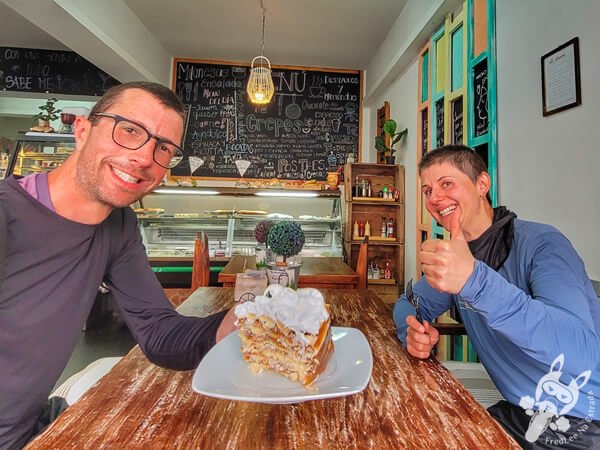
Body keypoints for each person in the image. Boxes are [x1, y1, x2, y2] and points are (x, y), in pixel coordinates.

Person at [0, 81, 237, 449]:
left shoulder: (119, 225)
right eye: (129, 131)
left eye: (163, 148)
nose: (144, 158)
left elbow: (159, 334)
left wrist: (235, 324)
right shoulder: (6, 213)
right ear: (82, 131)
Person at [393, 145, 599, 449]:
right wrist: (410, 332)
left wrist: (474, 280)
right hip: (519, 413)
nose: (434, 198)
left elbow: (581, 353)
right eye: (427, 190)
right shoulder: (457, 258)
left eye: (446, 184)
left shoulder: (543, 244)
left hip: (584, 420)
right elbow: (407, 304)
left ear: (482, 185)